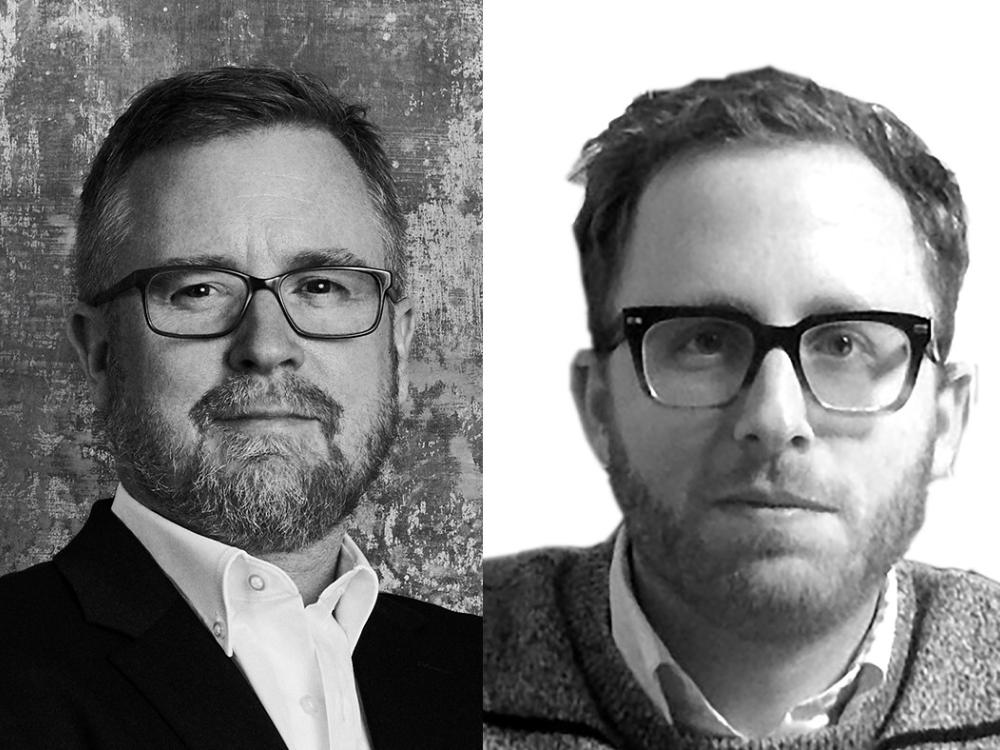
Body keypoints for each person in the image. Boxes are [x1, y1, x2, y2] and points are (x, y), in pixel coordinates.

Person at [483, 67, 1000, 748]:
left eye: (845, 343)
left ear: (947, 419)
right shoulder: (426, 663)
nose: (776, 419)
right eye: (704, 340)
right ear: (599, 405)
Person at [0, 67, 480, 749]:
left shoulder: (486, 675)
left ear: (397, 349)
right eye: (197, 290)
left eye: (320, 285)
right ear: (101, 354)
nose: (267, 346)